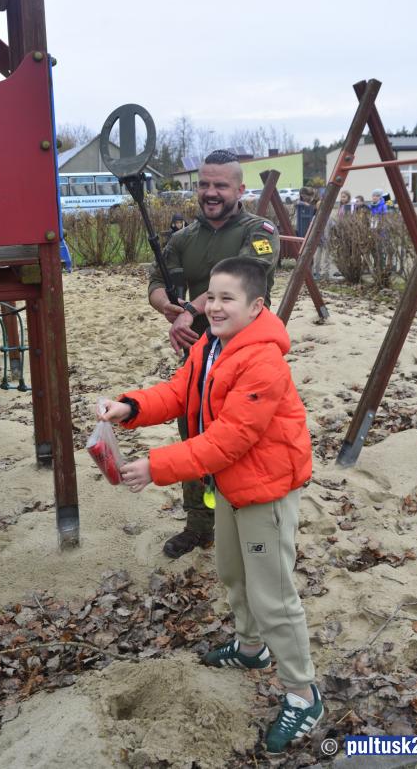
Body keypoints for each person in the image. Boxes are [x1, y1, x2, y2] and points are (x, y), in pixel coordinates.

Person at [101, 257, 323, 754]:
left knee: (273, 594)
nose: (216, 307)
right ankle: (250, 647)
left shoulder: (262, 361)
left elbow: (230, 439)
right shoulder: (211, 344)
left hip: (265, 489)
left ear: (256, 306)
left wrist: (156, 466)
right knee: (232, 572)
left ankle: (303, 693)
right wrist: (131, 406)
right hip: (229, 485)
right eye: (212, 297)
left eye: (228, 299)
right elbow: (181, 390)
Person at [147, 150, 280, 558]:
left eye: (220, 185)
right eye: (204, 184)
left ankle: (248, 517)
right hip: (197, 354)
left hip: (246, 356)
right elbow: (157, 281)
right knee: (194, 432)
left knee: (242, 438)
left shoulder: (259, 231)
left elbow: (242, 279)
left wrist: (190, 309)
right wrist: (168, 307)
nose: (210, 192)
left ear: (240, 189)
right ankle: (199, 525)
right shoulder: (184, 237)